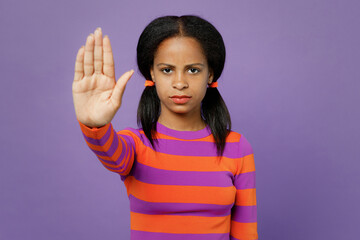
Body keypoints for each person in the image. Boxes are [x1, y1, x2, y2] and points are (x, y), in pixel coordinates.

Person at [72, 15, 258, 240]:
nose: (180, 83)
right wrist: (95, 123)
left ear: (210, 73)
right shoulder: (135, 145)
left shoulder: (237, 147)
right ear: (152, 72)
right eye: (167, 70)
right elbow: (110, 153)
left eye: (193, 70)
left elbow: (246, 234)